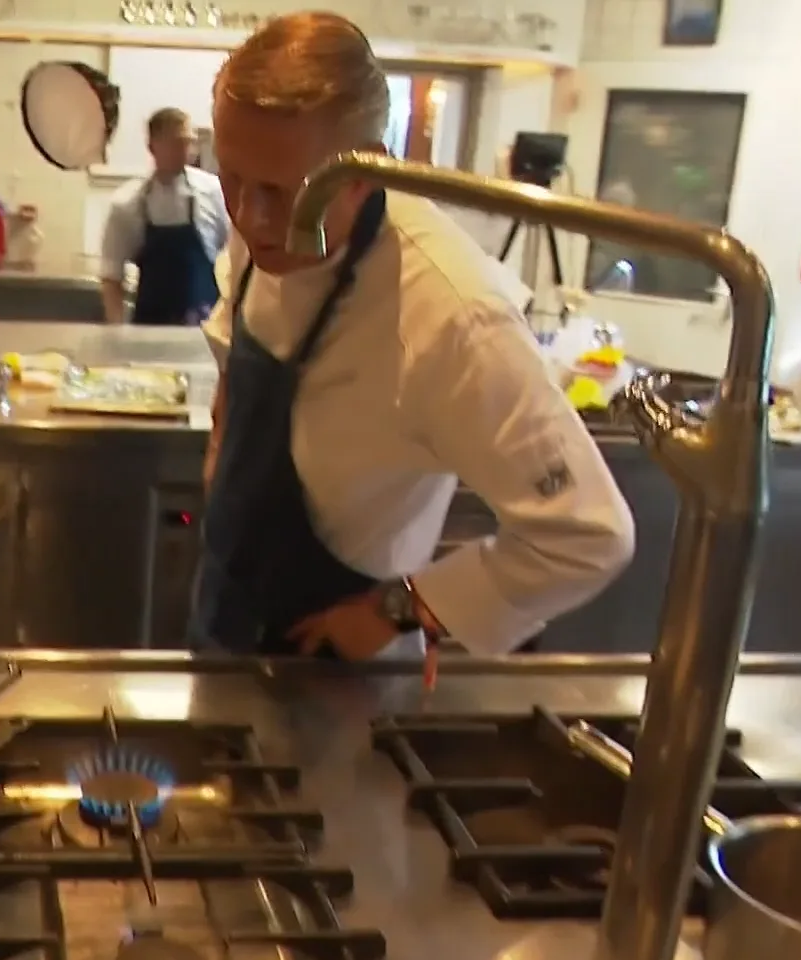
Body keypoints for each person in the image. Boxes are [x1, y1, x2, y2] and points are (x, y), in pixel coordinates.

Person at [193, 12, 636, 661]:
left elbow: (588, 535)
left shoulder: (454, 315)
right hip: (225, 610)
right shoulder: (263, 217)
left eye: (277, 193)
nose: (247, 215)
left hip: (336, 661)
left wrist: (400, 609)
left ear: (367, 171)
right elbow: (242, 336)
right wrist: (222, 450)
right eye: (230, 177)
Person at [98, 108, 228, 326]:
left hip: (206, 327)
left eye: (189, 142)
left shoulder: (213, 192)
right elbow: (112, 277)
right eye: (176, 143)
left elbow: (231, 260)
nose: (186, 150)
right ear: (152, 146)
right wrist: (118, 332)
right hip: (151, 328)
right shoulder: (128, 204)